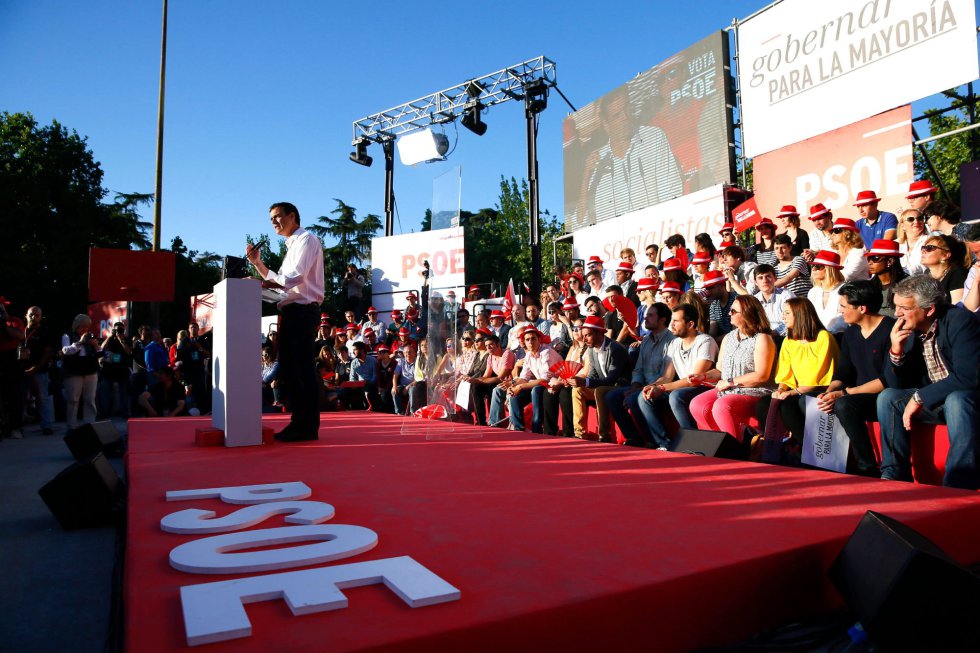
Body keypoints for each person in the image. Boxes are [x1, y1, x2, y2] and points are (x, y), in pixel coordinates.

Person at [878, 274, 980, 490]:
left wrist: (920, 397)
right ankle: (893, 476)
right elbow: (895, 385)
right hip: (935, 400)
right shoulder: (910, 329)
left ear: (930, 309)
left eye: (904, 308)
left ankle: (959, 484)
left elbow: (968, 377)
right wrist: (896, 351)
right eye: (896, 306)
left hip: (968, 400)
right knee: (888, 398)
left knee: (957, 399)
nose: (897, 314)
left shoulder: (961, 322)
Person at [246, 201, 325, 442]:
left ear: (293, 216)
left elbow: (293, 277)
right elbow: (281, 280)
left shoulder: (306, 240)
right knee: (290, 370)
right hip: (291, 312)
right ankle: (298, 423)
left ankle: (307, 426)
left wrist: (262, 283)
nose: (273, 222)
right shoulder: (292, 246)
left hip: (303, 311)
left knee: (302, 370)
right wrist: (257, 264)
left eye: (277, 216)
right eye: (271, 218)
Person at [815, 281, 895, 477]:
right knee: (809, 399)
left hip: (883, 397)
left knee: (844, 405)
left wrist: (844, 393)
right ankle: (823, 463)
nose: (840, 311)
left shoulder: (891, 330)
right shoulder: (851, 333)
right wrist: (830, 391)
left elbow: (888, 379)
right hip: (854, 393)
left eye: (843, 306)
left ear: (862, 308)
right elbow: (844, 371)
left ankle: (866, 466)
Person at [688, 295, 777, 441]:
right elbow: (720, 370)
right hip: (730, 389)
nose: (729, 313)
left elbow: (762, 376)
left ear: (747, 313)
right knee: (697, 404)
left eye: (734, 311)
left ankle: (734, 450)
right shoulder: (729, 337)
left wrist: (730, 381)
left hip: (756, 391)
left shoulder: (762, 338)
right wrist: (703, 376)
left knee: (722, 406)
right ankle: (716, 446)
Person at [634, 303, 719, 448]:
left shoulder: (705, 341)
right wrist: (652, 386)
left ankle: (693, 444)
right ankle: (663, 444)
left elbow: (694, 379)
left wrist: (661, 387)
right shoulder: (674, 343)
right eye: (671, 320)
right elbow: (667, 376)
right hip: (681, 386)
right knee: (644, 396)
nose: (671, 325)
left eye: (676, 321)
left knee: (676, 396)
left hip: (704, 387)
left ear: (690, 324)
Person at [769, 297, 839, 446]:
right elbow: (785, 371)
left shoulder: (823, 337)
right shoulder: (789, 340)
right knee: (766, 403)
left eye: (787, 313)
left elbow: (820, 378)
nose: (783, 317)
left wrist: (792, 392)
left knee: (790, 404)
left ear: (800, 314)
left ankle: (807, 448)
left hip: (820, 389)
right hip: (797, 389)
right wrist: (781, 390)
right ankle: (776, 448)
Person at [605, 303, 674, 447]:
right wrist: (635, 386)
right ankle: (634, 438)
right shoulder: (647, 340)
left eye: (650, 315)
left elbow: (667, 375)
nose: (645, 318)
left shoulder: (672, 340)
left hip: (663, 386)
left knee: (634, 398)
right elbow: (638, 369)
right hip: (642, 386)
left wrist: (638, 390)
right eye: (646, 314)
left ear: (662, 319)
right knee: (612, 396)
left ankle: (660, 442)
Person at [566, 315, 630, 442]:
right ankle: (580, 434)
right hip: (603, 387)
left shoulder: (615, 349)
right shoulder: (591, 350)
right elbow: (593, 376)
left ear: (599, 333)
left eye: (587, 335)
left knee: (600, 390)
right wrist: (578, 380)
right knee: (577, 390)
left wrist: (586, 381)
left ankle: (604, 435)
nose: (584, 339)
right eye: (583, 335)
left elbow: (612, 379)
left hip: (621, 387)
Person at [506, 326, 563, 433]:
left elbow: (545, 380)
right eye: (527, 340)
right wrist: (513, 386)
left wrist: (520, 386)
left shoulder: (547, 351)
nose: (530, 342)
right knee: (513, 395)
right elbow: (524, 377)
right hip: (542, 385)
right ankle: (519, 429)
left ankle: (537, 429)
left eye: (533, 339)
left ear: (539, 340)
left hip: (557, 384)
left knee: (536, 390)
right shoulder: (528, 355)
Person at [61, 314, 101, 432]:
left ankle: (90, 423)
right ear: (76, 326)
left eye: (86, 327)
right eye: (82, 327)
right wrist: (80, 342)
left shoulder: (91, 336)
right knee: (73, 399)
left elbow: (101, 352)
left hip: (90, 370)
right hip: (73, 371)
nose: (85, 329)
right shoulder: (67, 335)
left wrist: (96, 345)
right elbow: (66, 351)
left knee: (90, 399)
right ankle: (71, 425)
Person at [21, 306, 56, 435]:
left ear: (41, 317)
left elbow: (47, 352)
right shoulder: (21, 331)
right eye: (31, 314)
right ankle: (18, 426)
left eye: (37, 315)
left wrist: (36, 368)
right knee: (21, 398)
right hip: (21, 370)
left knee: (42, 397)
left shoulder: (45, 332)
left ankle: (47, 426)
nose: (33, 317)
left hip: (40, 370)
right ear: (26, 315)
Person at [743, 264, 794, 337]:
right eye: (760, 278)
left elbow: (792, 321)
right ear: (755, 282)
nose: (765, 281)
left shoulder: (786, 296)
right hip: (762, 338)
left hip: (784, 337)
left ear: (775, 278)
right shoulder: (754, 300)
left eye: (768, 276)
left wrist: (772, 334)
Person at [0, 298, 25, 439]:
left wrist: (3, 323)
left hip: (11, 360)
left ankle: (16, 426)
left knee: (14, 394)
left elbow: (20, 335)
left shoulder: (14, 321)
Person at [805, 250, 847, 334]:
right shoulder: (813, 291)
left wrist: (828, 334)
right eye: (813, 265)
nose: (813, 269)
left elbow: (843, 319)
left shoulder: (845, 289)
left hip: (838, 336)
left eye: (818, 266)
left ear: (829, 269)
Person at [865, 239, 908, 318]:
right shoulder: (869, 286)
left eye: (875, 258)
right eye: (869, 258)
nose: (870, 262)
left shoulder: (907, 285)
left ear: (890, 261)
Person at [921, 234, 968, 305]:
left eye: (929, 248)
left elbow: (957, 309)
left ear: (945, 255)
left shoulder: (957, 274)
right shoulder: (927, 273)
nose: (923, 251)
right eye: (923, 247)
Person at [98, 321, 132, 419]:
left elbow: (128, 352)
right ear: (113, 329)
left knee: (123, 394)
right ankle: (103, 413)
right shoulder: (110, 339)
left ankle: (125, 413)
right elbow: (101, 348)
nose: (119, 331)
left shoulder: (127, 339)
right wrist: (109, 337)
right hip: (109, 371)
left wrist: (121, 340)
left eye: (121, 329)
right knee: (106, 393)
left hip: (122, 370)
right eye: (117, 329)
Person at [829, 217, 867, 282]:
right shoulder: (832, 252)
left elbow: (845, 277)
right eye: (832, 231)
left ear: (848, 233)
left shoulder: (858, 253)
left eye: (837, 231)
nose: (833, 234)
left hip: (856, 290)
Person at [897, 208, 929, 275]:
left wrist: (905, 273)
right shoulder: (895, 244)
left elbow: (925, 265)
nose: (916, 222)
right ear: (902, 226)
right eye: (910, 219)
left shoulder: (930, 241)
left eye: (919, 218)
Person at [961, 223, 980, 313]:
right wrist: (977, 281)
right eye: (976, 253)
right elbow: (969, 308)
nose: (979, 257)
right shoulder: (975, 270)